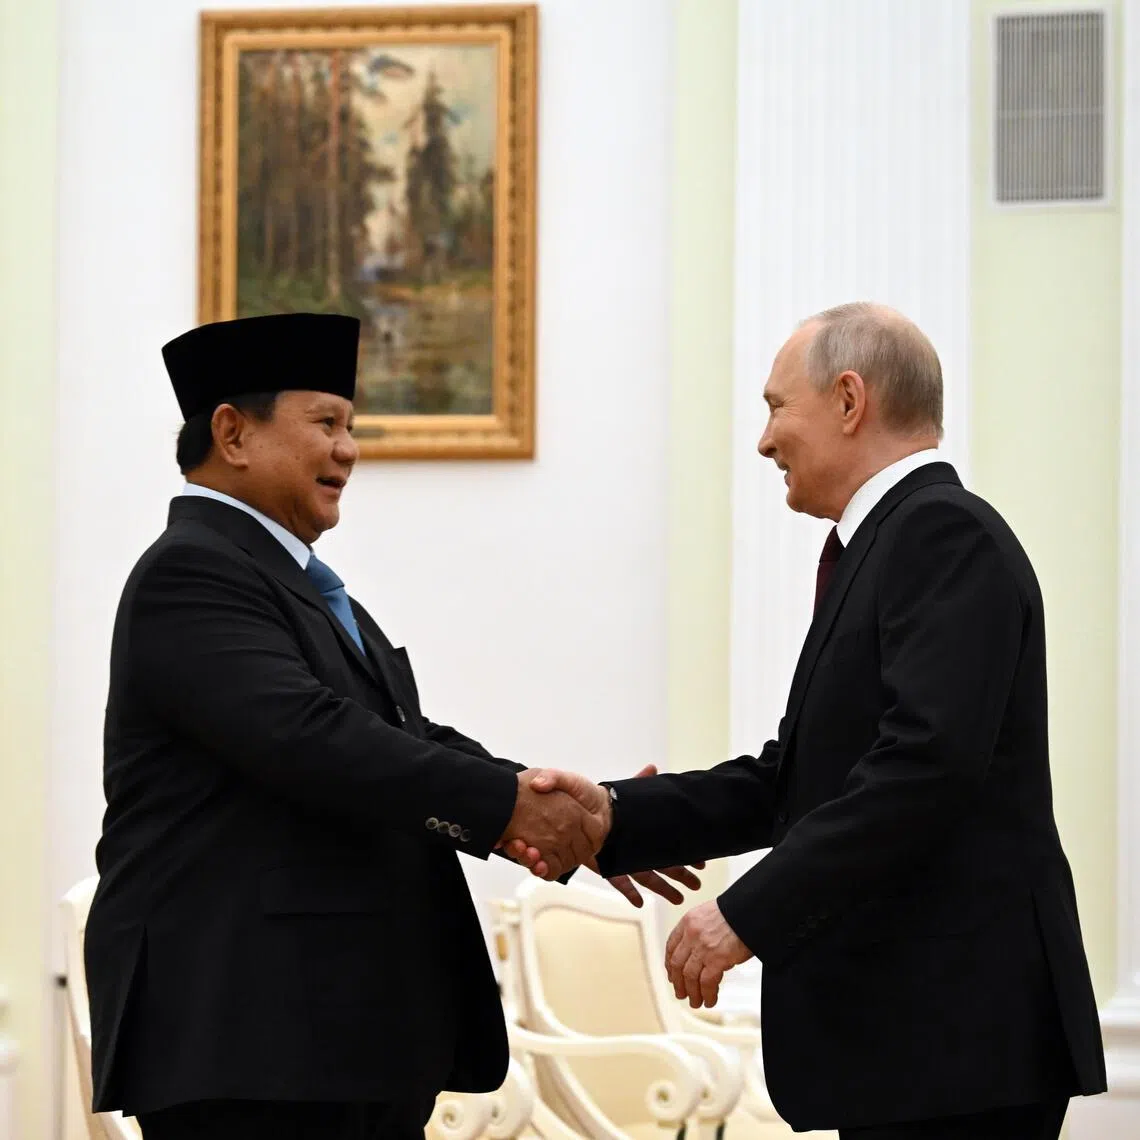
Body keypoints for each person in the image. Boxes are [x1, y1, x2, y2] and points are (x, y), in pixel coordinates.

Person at [83, 313, 693, 1140]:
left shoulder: (298, 585)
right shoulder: (190, 572)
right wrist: (516, 811)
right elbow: (317, 738)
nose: (349, 451)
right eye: (325, 424)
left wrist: (592, 815)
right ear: (232, 432)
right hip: (250, 1040)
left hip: (331, 1039)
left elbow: (403, 733)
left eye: (352, 427)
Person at [518, 303, 1107, 1139]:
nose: (764, 441)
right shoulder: (886, 545)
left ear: (848, 399)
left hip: (957, 1039)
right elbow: (794, 777)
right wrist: (616, 816)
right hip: (914, 1045)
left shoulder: (941, 534)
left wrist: (746, 915)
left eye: (774, 407)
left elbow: (923, 769)